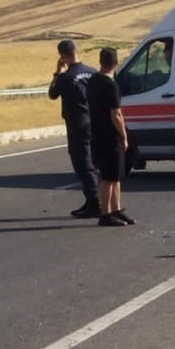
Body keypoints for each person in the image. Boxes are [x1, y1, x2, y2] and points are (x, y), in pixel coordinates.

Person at [48, 39, 99, 217]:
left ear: (62, 56)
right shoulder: (93, 72)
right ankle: (93, 200)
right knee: (93, 161)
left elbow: (52, 94)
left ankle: (95, 201)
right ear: (77, 50)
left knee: (82, 163)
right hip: (94, 121)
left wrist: (57, 72)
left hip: (77, 124)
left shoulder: (66, 77)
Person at [86, 48, 133, 227]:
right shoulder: (110, 84)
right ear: (116, 63)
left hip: (97, 132)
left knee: (116, 174)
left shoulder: (93, 81)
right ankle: (105, 213)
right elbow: (116, 114)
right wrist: (124, 135)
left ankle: (116, 209)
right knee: (108, 177)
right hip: (110, 135)